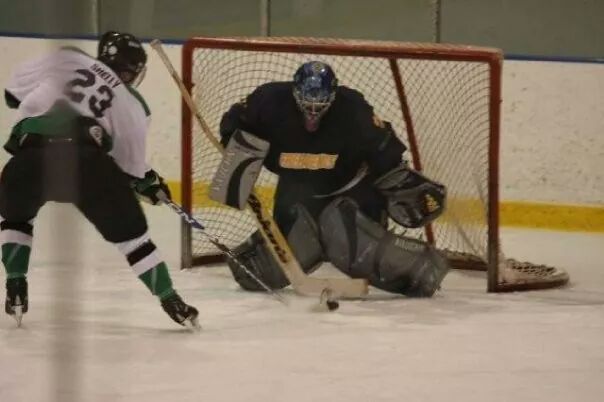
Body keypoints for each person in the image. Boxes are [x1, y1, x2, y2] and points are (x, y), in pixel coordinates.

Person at [1, 31, 199, 328]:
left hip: (29, 158)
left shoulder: (67, 57)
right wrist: (148, 184)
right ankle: (171, 300)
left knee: (15, 218)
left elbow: (11, 95)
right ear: (132, 71)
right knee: (133, 239)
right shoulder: (131, 103)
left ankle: (16, 286)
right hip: (88, 164)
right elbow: (129, 170)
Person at [215, 60, 450, 297]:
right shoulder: (268, 101)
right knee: (257, 272)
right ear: (294, 91)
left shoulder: (352, 108)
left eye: (321, 105)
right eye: (307, 103)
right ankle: (314, 242)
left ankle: (423, 264)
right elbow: (235, 122)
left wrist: (400, 181)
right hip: (298, 192)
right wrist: (236, 150)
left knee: (354, 250)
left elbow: (383, 147)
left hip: (350, 192)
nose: (313, 112)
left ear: (334, 95)